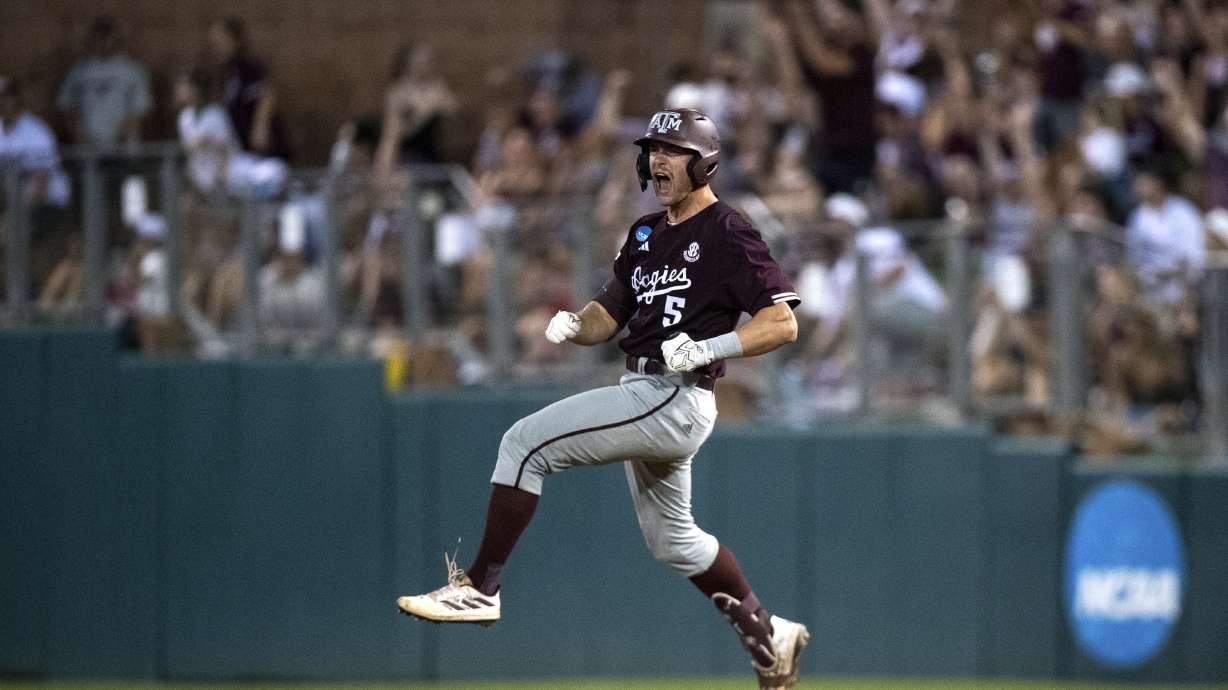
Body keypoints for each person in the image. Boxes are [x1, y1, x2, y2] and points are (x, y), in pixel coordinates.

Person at [397, 108, 810, 689]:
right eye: (653, 149)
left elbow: (781, 323)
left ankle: (480, 588)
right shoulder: (646, 232)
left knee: (524, 443)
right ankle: (768, 635)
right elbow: (608, 315)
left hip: (673, 393)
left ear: (704, 161)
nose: (658, 159)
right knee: (673, 541)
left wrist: (707, 346)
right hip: (646, 386)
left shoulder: (726, 229)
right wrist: (575, 324)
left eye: (672, 150)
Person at [55, 15, 152, 147]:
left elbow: (138, 110)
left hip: (122, 148)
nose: (103, 41)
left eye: (107, 36)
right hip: (87, 148)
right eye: (99, 36)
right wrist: (80, 137)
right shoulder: (79, 71)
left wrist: (123, 138)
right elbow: (68, 107)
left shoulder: (132, 70)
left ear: (116, 38)